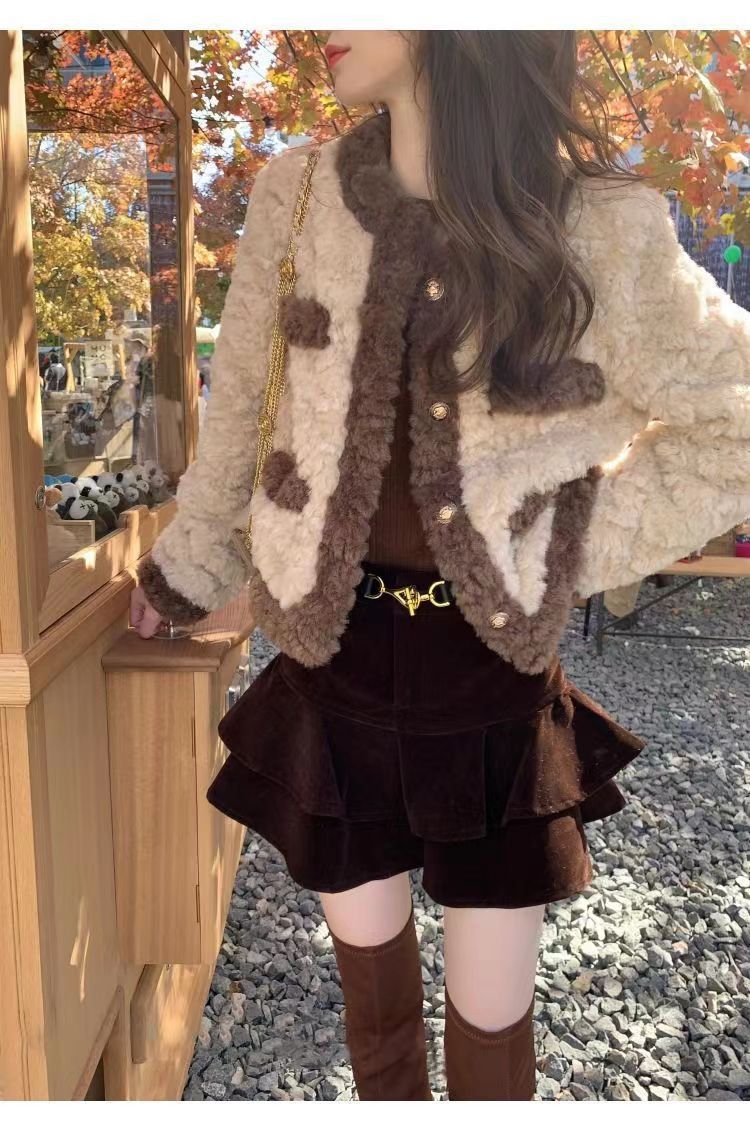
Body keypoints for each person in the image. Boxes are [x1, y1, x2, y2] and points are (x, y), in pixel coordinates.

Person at [129, 32, 750, 1101]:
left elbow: (733, 419)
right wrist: (185, 567)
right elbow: (243, 415)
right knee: (373, 1007)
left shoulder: (598, 222)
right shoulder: (297, 194)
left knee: (493, 1017)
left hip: (487, 678)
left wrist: (561, 541)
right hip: (330, 662)